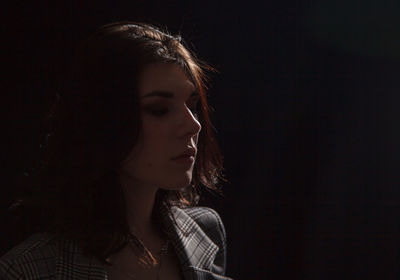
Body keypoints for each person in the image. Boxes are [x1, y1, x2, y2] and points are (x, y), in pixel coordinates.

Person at [0, 22, 232, 280]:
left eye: (192, 105)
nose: (193, 125)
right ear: (103, 121)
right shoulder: (31, 270)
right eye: (159, 109)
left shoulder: (204, 234)